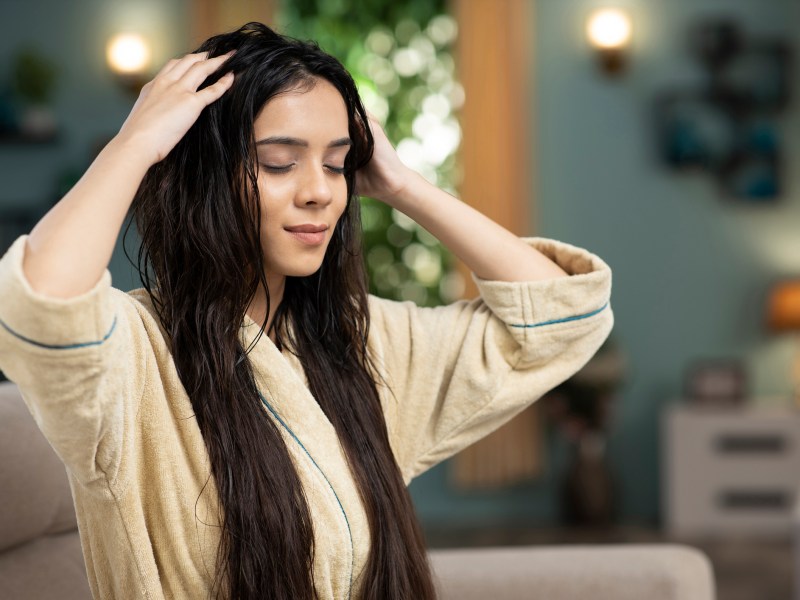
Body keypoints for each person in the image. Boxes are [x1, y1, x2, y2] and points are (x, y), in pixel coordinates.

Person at [0, 22, 613, 600]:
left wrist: (402, 185)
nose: (320, 190)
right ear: (205, 177)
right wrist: (134, 146)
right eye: (278, 162)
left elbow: (562, 317)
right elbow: (43, 306)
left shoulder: (360, 345)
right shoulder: (133, 359)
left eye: (337, 162)